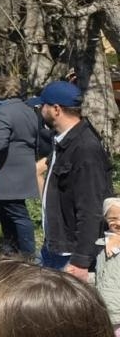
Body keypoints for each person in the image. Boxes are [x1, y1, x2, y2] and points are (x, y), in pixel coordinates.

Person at [27, 81, 113, 275]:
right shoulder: (64, 141)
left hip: (71, 255)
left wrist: (81, 261)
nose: (40, 111)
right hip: (55, 247)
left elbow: (91, 208)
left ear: (56, 109)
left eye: (43, 106)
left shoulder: (85, 149)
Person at [0, 75, 41, 257]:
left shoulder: (3, 113)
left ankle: (26, 253)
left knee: (16, 213)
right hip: (23, 165)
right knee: (7, 210)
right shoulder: (27, 109)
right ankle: (11, 248)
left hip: (7, 169)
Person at [97, 199, 120, 337]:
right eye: (112, 219)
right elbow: (99, 273)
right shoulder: (101, 244)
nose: (118, 223)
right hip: (105, 307)